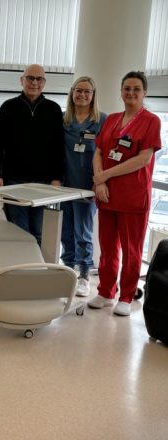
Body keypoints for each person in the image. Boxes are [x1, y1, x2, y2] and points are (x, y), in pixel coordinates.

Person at [89, 71, 161, 317]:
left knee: (132, 250)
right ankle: (105, 292)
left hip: (133, 196)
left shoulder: (151, 121)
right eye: (127, 88)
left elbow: (143, 159)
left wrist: (104, 176)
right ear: (121, 92)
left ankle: (127, 296)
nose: (131, 93)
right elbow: (99, 152)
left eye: (136, 89)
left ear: (144, 92)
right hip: (107, 194)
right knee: (108, 247)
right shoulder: (112, 119)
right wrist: (100, 182)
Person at [0, 64, 64, 244]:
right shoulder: (8, 107)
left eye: (39, 79)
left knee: (38, 231)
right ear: (21, 80)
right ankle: (20, 262)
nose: (34, 83)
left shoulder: (54, 109)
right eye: (30, 78)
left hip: (43, 183)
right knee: (19, 230)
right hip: (14, 180)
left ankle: (34, 262)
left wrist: (57, 178)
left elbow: (59, 147)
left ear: (44, 82)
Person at [61, 76, 106, 297]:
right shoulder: (64, 119)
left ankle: (84, 275)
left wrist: (101, 181)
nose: (82, 95)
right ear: (72, 93)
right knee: (66, 231)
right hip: (64, 185)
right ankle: (68, 270)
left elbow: (105, 154)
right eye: (78, 90)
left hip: (87, 185)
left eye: (87, 91)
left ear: (93, 95)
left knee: (83, 232)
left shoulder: (101, 120)